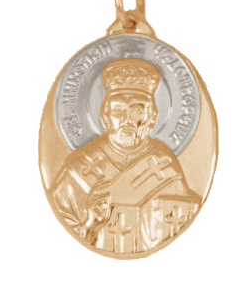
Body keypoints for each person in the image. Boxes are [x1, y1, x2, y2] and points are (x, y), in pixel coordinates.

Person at [51, 58, 200, 255]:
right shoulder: (79, 168)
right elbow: (57, 235)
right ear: (105, 116)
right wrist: (90, 223)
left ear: (152, 117)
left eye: (137, 110)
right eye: (118, 110)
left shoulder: (164, 165)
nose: (127, 120)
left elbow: (183, 221)